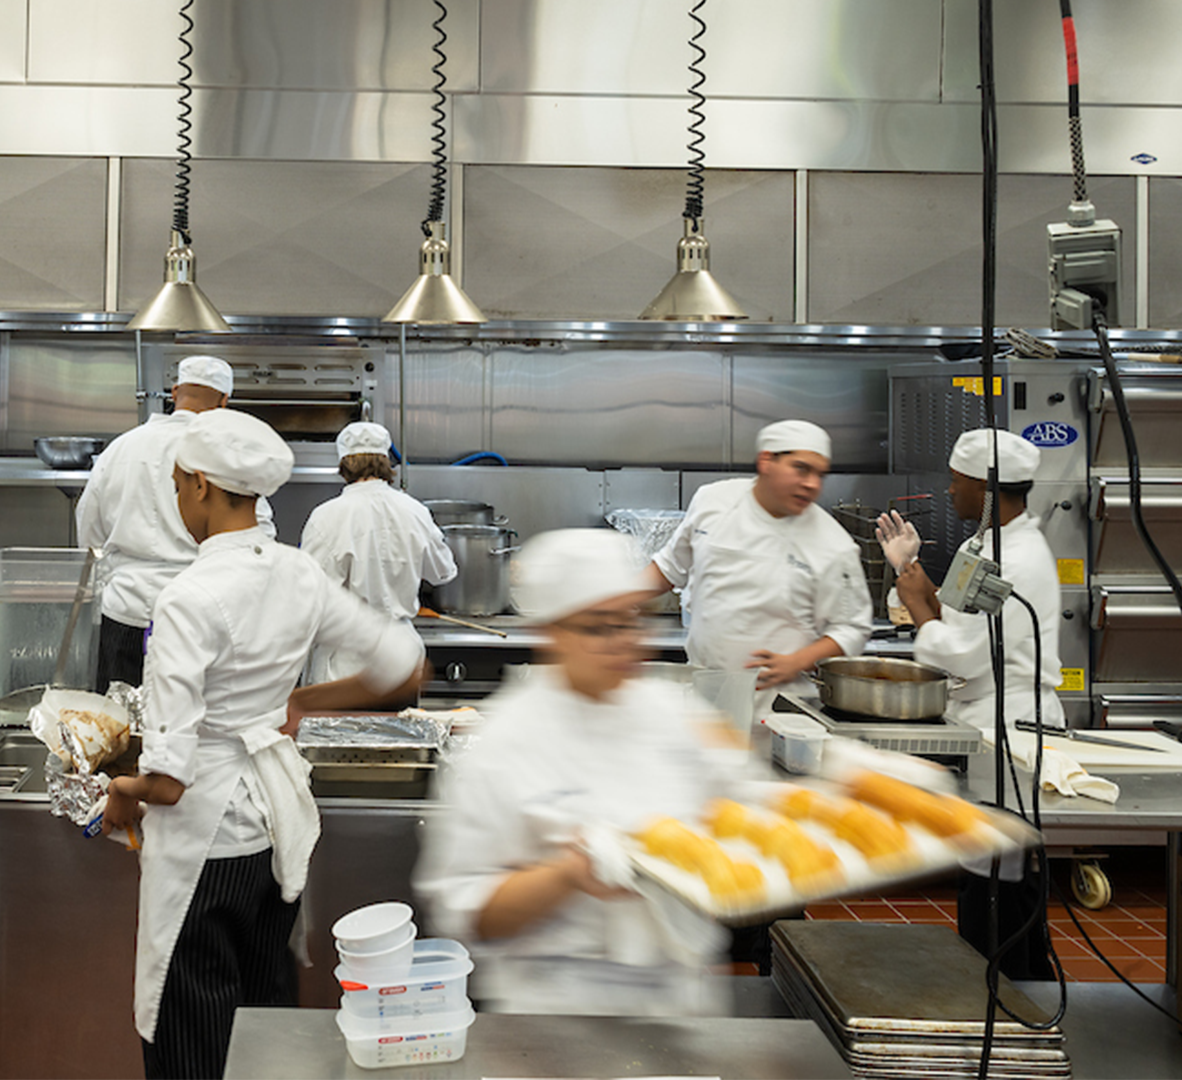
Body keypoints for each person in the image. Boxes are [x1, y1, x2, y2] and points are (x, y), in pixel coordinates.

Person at [99, 408, 426, 1080]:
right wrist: (301, 700)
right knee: (261, 1025)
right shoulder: (296, 573)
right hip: (274, 829)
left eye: (176, 482)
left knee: (189, 1027)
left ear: (197, 486)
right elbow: (403, 664)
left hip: (203, 845)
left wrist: (121, 794)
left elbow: (169, 780)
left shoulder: (189, 596)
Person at [414, 528, 755, 1016]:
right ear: (555, 634)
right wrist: (568, 874)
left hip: (677, 1008)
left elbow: (744, 812)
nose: (624, 642)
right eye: (599, 626)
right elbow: (469, 913)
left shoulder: (674, 715)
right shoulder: (505, 742)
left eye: (631, 621)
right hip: (551, 1015)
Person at [75, 355, 274, 692]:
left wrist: (116, 578)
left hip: (127, 612)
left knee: (120, 730)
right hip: (205, 616)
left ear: (175, 390)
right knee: (199, 731)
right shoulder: (229, 455)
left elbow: (89, 531)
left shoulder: (121, 448)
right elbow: (259, 538)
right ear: (224, 401)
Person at [645, 419, 872, 705]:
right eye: (801, 468)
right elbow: (668, 568)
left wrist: (798, 660)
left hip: (780, 706)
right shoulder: (714, 502)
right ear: (766, 460)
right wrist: (609, 600)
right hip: (704, 692)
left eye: (820, 474)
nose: (812, 484)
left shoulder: (834, 545)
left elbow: (852, 627)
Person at [876, 428, 1064, 732]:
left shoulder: (1018, 561)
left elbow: (961, 657)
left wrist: (914, 600)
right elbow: (956, 615)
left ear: (985, 490)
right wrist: (910, 569)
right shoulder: (979, 545)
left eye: (956, 480)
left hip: (1010, 721)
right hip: (977, 711)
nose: (950, 491)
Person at [299, 420, 457, 683]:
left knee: (343, 726)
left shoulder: (326, 517)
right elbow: (443, 572)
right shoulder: (415, 511)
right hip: (402, 656)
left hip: (346, 662)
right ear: (386, 462)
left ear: (343, 465)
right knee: (401, 724)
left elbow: (311, 596)